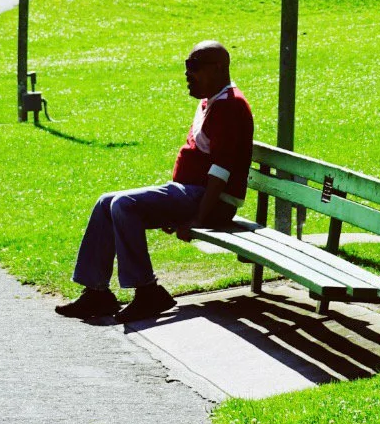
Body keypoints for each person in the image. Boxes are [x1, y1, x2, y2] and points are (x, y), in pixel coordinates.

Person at [56, 40, 253, 324]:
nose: (187, 75)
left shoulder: (230, 106)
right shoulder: (211, 101)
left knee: (125, 205)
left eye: (194, 67)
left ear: (219, 68)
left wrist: (198, 218)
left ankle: (148, 292)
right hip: (189, 193)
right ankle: (97, 292)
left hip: (212, 200)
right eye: (186, 67)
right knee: (105, 202)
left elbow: (220, 172)